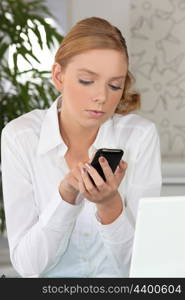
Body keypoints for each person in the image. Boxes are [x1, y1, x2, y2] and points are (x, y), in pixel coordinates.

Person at [1, 17, 162, 278]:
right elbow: (28, 266)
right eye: (87, 81)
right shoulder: (20, 137)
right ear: (58, 76)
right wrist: (65, 199)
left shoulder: (140, 136)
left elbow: (141, 267)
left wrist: (110, 205)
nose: (102, 97)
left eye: (114, 85)